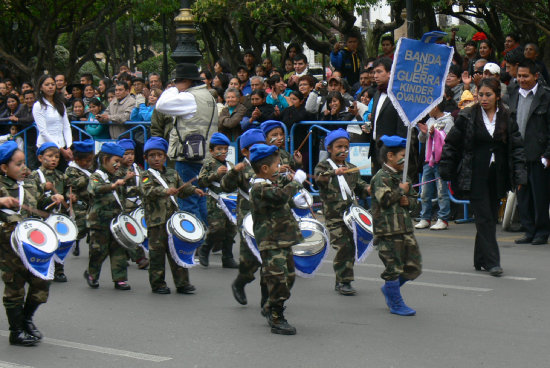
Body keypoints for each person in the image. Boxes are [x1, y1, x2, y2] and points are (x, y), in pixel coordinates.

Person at [440, 78, 527, 276]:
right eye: (481, 95)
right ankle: (492, 262)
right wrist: (446, 169)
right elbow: (452, 144)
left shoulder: (507, 116)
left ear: (497, 96)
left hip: (498, 175)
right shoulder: (467, 115)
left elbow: (517, 148)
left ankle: (480, 258)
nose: (484, 99)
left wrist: (520, 176)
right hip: (474, 174)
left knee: (489, 216)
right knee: (485, 218)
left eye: (488, 95)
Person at [0, 141, 64, 346]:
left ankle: (26, 319)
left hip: (33, 243)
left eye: (23, 163)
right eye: (18, 165)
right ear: (4, 167)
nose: (23, 168)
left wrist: (53, 199)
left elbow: (38, 204)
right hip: (9, 247)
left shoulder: (29, 183)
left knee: (41, 283)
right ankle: (16, 331)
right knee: (15, 288)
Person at [249, 144, 305, 335]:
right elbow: (280, 196)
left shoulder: (269, 185)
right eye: (276, 165)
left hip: (282, 239)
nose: (279, 168)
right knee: (278, 279)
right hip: (271, 241)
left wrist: (294, 196)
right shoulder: (258, 188)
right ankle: (276, 316)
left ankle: (270, 305)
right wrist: (296, 182)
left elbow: (282, 199)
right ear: (265, 169)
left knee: (288, 276)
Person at [155, 63, 218, 225]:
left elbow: (160, 105)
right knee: (200, 197)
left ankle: (196, 237)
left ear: (187, 81)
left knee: (188, 199)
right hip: (205, 153)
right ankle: (206, 234)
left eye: (177, 81)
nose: (176, 85)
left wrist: (172, 89)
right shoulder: (208, 95)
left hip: (188, 154)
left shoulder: (188, 97)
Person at [140, 137, 204, 294]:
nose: (156, 158)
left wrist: (193, 190)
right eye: (152, 155)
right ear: (146, 158)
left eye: (159, 155)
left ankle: (182, 283)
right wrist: (164, 191)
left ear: (165, 157)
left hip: (173, 222)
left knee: (177, 251)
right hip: (156, 222)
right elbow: (147, 191)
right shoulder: (146, 175)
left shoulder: (172, 173)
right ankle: (158, 284)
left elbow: (182, 189)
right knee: (157, 255)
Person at [314, 129, 369, 295]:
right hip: (334, 217)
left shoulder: (352, 168)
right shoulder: (323, 166)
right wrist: (333, 173)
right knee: (343, 246)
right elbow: (319, 178)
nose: (343, 150)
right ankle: (344, 281)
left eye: (346, 146)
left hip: (351, 215)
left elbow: (359, 187)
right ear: (329, 149)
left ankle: (342, 279)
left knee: (351, 246)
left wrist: (369, 189)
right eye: (339, 146)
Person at [371, 135, 421, 316]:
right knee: (393, 268)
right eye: (401, 155)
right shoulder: (380, 177)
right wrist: (401, 190)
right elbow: (384, 200)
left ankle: (389, 288)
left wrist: (409, 201)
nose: (404, 159)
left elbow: (415, 201)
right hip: (387, 231)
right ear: (390, 156)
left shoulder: (403, 177)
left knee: (414, 267)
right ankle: (395, 302)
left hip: (405, 228)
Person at [508, 60, 550, 245]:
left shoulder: (545, 97)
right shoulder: (513, 94)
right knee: (523, 196)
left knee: (540, 195)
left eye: (525, 76)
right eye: (519, 76)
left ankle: (542, 231)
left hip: (539, 154)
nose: (522, 79)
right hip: (519, 154)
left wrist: (547, 154)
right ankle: (529, 230)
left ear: (536, 76)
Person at [222, 129, 266, 305]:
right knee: (249, 259)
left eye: (263, 146)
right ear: (245, 151)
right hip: (248, 216)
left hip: (268, 217)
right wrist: (233, 171)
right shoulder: (242, 168)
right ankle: (240, 282)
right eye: (255, 148)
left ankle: (267, 302)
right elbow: (226, 186)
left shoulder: (268, 165)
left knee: (269, 261)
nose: (260, 151)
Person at [84, 142, 135, 290]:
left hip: (115, 220)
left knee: (118, 249)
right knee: (98, 250)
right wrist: (113, 186)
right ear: (105, 159)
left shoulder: (117, 175)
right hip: (98, 221)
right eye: (116, 161)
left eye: (120, 161)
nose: (118, 165)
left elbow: (124, 193)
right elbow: (95, 189)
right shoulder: (96, 176)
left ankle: (120, 279)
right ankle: (92, 274)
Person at [29, 142, 73, 282]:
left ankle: (59, 270)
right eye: (50, 156)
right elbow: (30, 193)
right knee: (44, 243)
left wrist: (70, 196)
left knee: (60, 242)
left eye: (57, 157)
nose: (54, 159)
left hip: (58, 215)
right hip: (42, 215)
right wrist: (43, 187)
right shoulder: (35, 176)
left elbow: (67, 191)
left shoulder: (61, 176)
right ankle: (43, 269)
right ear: (41, 158)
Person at [369, 58, 417, 178]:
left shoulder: (399, 95)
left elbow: (402, 127)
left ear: (390, 73)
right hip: (376, 149)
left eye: (379, 72)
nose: (375, 76)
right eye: (374, 72)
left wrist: (398, 152)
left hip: (392, 151)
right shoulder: (377, 93)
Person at [197, 133, 238, 268]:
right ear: (211, 150)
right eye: (219, 149)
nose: (223, 152)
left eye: (226, 149)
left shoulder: (230, 165)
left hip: (230, 202)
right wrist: (215, 175)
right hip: (215, 201)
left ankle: (228, 257)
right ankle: (205, 248)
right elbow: (201, 182)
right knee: (217, 228)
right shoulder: (209, 164)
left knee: (231, 229)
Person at [415, 100, 454, 230]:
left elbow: (447, 138)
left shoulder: (448, 121)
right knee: (425, 191)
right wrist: (424, 132)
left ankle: (443, 218)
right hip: (428, 160)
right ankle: (425, 217)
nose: (428, 110)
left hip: (441, 160)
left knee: (441, 191)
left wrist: (434, 133)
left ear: (436, 107)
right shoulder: (430, 120)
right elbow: (422, 139)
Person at [116, 138, 149, 269]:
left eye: (132, 153)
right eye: (126, 154)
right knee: (130, 232)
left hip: (138, 205)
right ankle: (140, 258)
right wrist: (125, 179)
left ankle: (125, 253)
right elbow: (115, 187)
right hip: (124, 206)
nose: (129, 157)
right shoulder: (117, 170)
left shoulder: (137, 168)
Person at [33, 75, 73, 170]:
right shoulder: (38, 106)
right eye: (47, 84)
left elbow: (66, 126)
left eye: (52, 84)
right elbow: (43, 131)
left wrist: (69, 146)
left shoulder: (60, 104)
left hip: (62, 146)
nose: (50, 87)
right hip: (46, 147)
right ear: (41, 87)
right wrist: (61, 149)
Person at [66, 139, 95, 257]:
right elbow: (71, 184)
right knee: (82, 225)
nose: (89, 163)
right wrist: (88, 178)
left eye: (90, 161)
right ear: (77, 160)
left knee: (94, 224)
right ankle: (75, 240)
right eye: (86, 161)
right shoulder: (71, 170)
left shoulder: (90, 169)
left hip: (91, 201)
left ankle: (93, 246)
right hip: (79, 202)